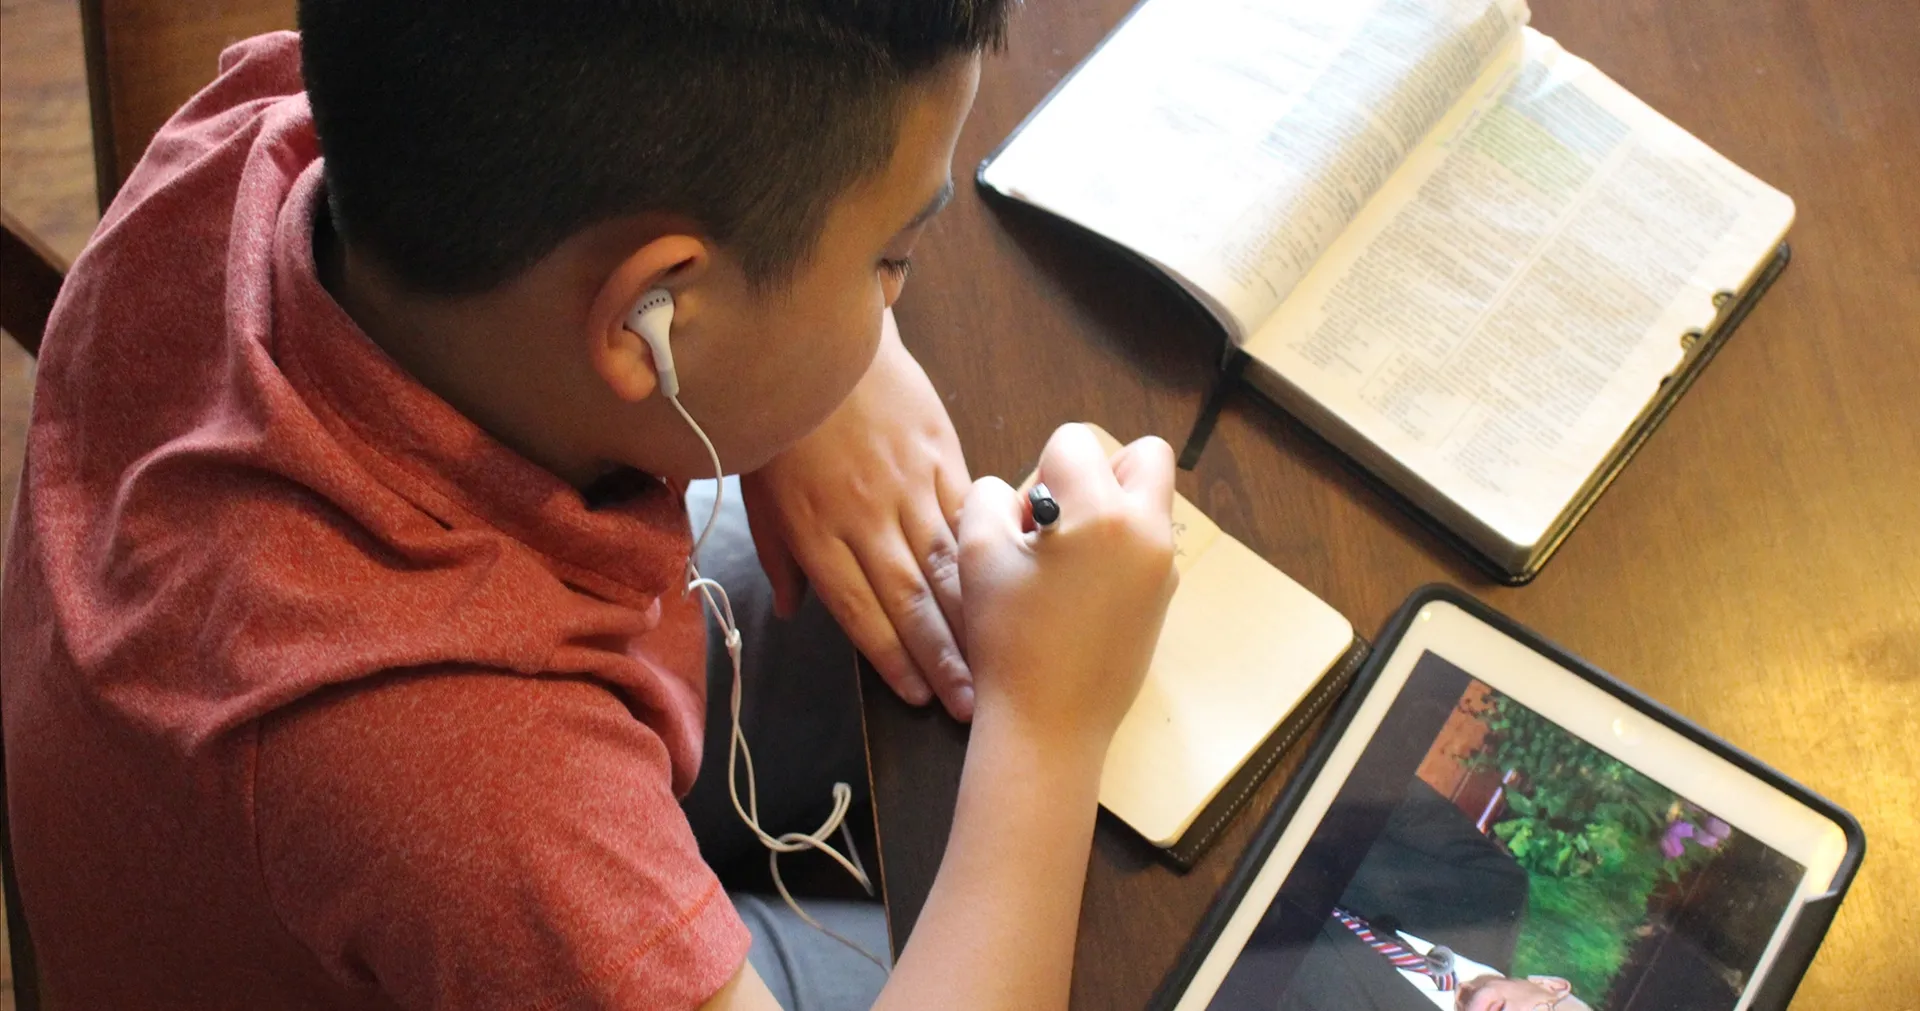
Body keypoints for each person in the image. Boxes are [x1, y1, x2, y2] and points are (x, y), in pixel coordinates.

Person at [0, 3, 1182, 1009]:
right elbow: (497, 825)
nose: (892, 301)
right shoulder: (469, 794)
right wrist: (1046, 729)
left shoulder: (263, 139)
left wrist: (823, 379)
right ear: (649, 324)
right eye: (890, 259)